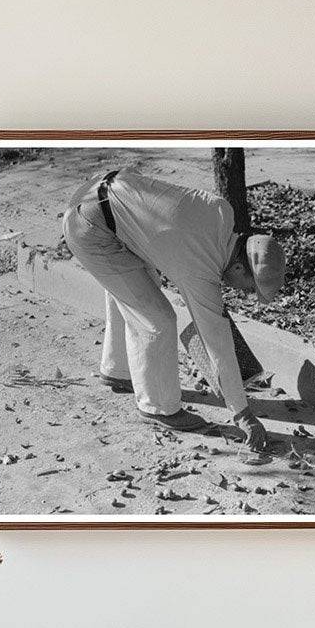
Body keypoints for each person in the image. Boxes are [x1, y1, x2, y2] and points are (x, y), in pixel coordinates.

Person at [62, 166, 286, 451]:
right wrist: (242, 413)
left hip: (102, 196)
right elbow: (216, 342)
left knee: (136, 289)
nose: (243, 292)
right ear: (240, 267)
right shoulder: (200, 268)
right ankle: (158, 409)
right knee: (157, 320)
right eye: (248, 287)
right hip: (88, 228)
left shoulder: (222, 212)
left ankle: (117, 370)